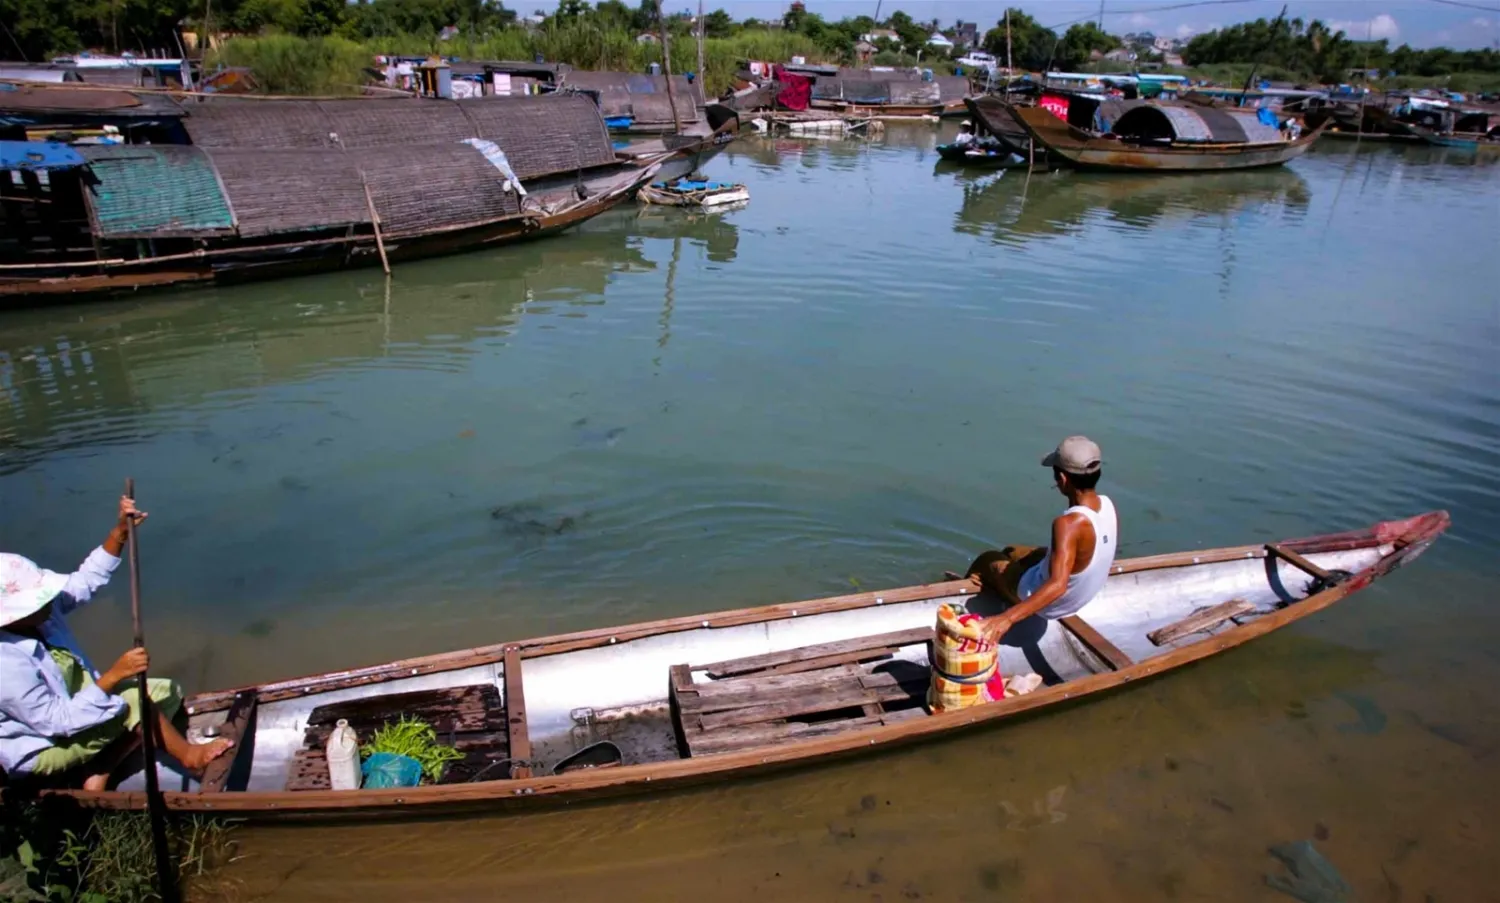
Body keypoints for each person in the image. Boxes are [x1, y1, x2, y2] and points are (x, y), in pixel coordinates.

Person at [0, 496, 231, 790]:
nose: (50, 600)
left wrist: (118, 534)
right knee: (133, 701)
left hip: (75, 711)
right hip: (45, 746)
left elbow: (84, 582)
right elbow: (55, 722)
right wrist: (114, 676)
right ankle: (189, 756)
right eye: (38, 599)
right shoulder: (4, 662)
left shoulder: (42, 616)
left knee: (164, 692)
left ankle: (102, 766)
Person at [965, 436, 1120, 645]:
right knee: (1014, 551)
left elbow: (1058, 585)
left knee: (989, 559)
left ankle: (967, 586)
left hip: (1052, 606)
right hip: (1078, 599)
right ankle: (1004, 576)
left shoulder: (1067, 524)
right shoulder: (1107, 504)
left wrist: (1006, 619)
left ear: (1063, 480)